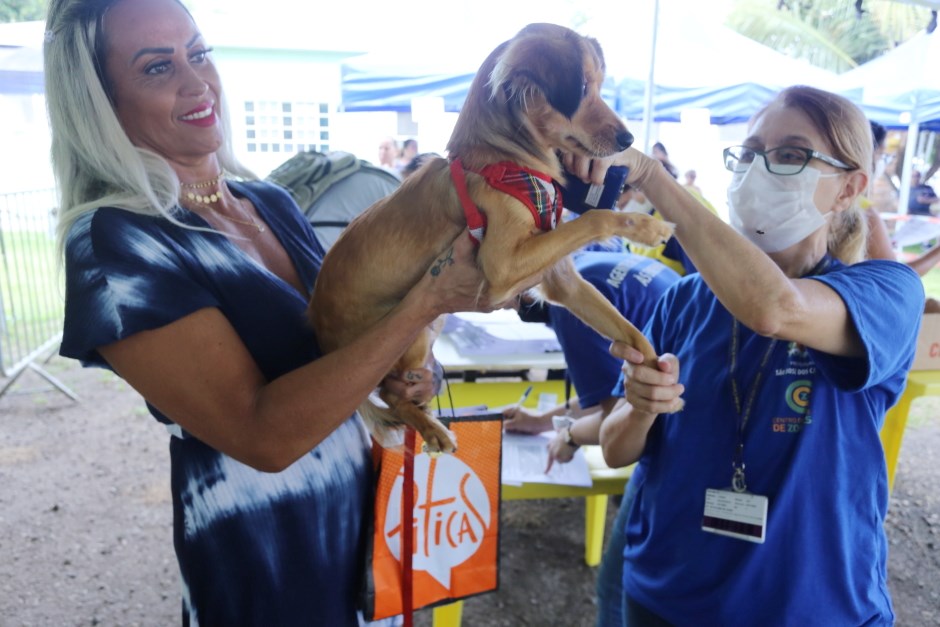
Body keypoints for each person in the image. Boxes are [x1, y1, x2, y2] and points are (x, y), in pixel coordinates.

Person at [44, 0, 507, 624]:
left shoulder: (270, 201)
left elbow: (340, 352)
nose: (196, 81)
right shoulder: (117, 242)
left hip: (364, 537)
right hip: (265, 560)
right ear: (100, 103)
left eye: (199, 53)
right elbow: (263, 436)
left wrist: (396, 378)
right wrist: (427, 299)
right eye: (157, 68)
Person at [564, 85, 924, 625]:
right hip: (667, 598)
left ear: (849, 187)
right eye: (750, 152)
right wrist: (639, 406)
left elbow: (775, 308)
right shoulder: (682, 301)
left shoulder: (885, 293)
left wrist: (649, 175)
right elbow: (617, 450)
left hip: (810, 608)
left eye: (790, 154)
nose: (760, 170)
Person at [501, 251, 681, 627]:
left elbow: (614, 421)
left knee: (619, 587)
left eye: (502, 302)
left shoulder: (569, 305)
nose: (501, 308)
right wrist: (540, 422)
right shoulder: (585, 267)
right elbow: (605, 393)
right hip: (683, 402)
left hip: (674, 436)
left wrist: (567, 436)